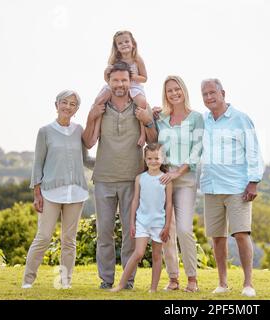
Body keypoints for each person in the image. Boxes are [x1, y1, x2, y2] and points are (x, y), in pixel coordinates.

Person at [82, 61, 158, 290]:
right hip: (104, 177)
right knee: (104, 233)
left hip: (131, 179)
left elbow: (153, 141)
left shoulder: (139, 106)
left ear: (130, 81)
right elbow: (88, 141)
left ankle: (128, 281)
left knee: (130, 233)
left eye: (124, 80)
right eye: (115, 80)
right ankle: (106, 281)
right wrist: (90, 116)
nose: (120, 84)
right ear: (109, 81)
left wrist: (148, 120)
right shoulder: (100, 107)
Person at [200, 78, 264, 297]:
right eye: (205, 94)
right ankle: (223, 283)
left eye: (212, 93)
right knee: (217, 237)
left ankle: (248, 284)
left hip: (238, 187)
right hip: (211, 186)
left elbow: (253, 151)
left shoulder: (240, 119)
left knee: (241, 234)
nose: (209, 97)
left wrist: (254, 181)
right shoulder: (203, 121)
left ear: (222, 93)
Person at [22, 90, 90, 289]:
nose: (68, 107)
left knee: (69, 240)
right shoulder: (45, 131)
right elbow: (38, 164)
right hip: (50, 192)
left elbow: (85, 160)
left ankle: (64, 282)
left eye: (72, 104)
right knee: (43, 237)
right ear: (56, 104)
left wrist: (111, 162)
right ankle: (27, 281)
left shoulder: (79, 130)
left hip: (76, 193)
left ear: (77, 109)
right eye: (64, 102)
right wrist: (37, 193)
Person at [154, 76, 204, 292]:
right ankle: (173, 279)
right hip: (164, 179)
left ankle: (192, 278)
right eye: (169, 91)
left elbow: (197, 150)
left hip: (184, 180)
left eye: (177, 89)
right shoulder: (161, 119)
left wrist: (178, 172)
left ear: (183, 90)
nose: (173, 93)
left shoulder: (196, 118)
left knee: (184, 228)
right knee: (166, 230)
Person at [110, 143, 172, 293]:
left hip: (158, 223)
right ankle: (120, 285)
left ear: (162, 159)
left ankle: (153, 289)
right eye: (149, 158)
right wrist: (132, 223)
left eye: (156, 158)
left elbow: (169, 204)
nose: (153, 161)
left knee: (157, 256)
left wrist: (167, 226)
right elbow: (135, 201)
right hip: (142, 222)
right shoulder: (140, 178)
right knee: (138, 253)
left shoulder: (166, 179)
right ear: (145, 159)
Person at [91, 30, 148, 147]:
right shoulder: (115, 60)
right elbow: (108, 79)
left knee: (142, 102)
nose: (124, 44)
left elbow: (145, 78)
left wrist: (132, 76)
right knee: (99, 100)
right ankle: (96, 131)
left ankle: (143, 134)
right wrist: (105, 74)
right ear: (116, 47)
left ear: (133, 43)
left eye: (127, 41)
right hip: (116, 86)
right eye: (120, 43)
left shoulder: (137, 59)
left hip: (134, 85)